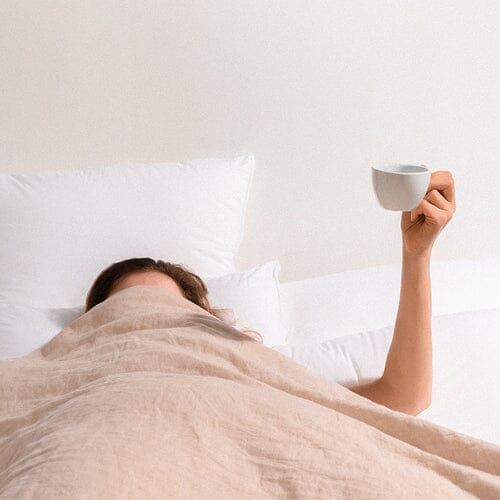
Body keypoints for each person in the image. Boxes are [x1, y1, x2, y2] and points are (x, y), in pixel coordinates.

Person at [85, 170, 456, 417]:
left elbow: (404, 398)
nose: (153, 322)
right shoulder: (62, 391)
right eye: (132, 311)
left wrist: (416, 254)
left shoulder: (252, 387)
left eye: (168, 310)